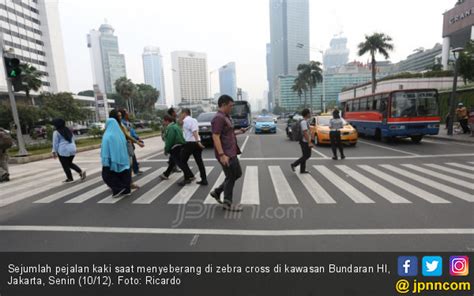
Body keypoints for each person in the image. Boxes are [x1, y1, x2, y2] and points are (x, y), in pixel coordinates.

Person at [210, 95, 249, 212]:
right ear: (223, 105)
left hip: (231, 152)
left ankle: (217, 192)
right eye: (230, 106)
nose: (232, 108)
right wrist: (222, 155)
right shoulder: (218, 118)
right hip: (226, 154)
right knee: (231, 176)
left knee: (237, 174)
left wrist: (239, 131)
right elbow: (215, 136)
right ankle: (227, 203)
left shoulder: (226, 117)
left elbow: (227, 134)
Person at [109, 109, 144, 190]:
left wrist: (137, 141)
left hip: (125, 147)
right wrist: (137, 142)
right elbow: (126, 135)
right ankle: (117, 185)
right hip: (118, 148)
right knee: (119, 166)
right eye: (118, 116)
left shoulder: (121, 124)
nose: (120, 117)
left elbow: (128, 135)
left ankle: (128, 182)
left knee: (128, 165)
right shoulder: (115, 125)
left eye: (121, 115)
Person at [101, 118, 132, 198]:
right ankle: (126, 190)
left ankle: (118, 189)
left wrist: (106, 161)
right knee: (123, 174)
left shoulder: (107, 135)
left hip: (112, 159)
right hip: (123, 158)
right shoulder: (120, 134)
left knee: (106, 175)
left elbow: (105, 149)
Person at [51, 118, 86, 183]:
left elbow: (55, 143)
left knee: (65, 165)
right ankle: (80, 171)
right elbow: (73, 139)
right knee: (69, 163)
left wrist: (54, 151)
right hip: (72, 149)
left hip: (63, 150)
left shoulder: (56, 132)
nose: (53, 126)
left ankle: (70, 178)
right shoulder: (69, 130)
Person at [160, 115, 193, 182]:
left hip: (175, 147)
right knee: (173, 161)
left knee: (180, 163)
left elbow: (170, 140)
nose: (163, 122)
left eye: (163, 121)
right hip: (180, 146)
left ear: (167, 121)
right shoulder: (176, 126)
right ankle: (166, 174)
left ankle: (189, 176)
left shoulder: (171, 128)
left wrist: (166, 149)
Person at [180, 108, 207, 186]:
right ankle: (204, 179)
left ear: (184, 113)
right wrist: (198, 141)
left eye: (181, 114)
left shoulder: (186, 120)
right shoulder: (194, 120)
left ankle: (188, 177)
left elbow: (194, 131)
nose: (181, 115)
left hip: (190, 143)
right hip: (196, 143)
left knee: (182, 161)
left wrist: (198, 142)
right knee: (199, 162)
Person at [119, 108, 144, 175]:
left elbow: (132, 132)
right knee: (130, 157)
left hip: (130, 142)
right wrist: (138, 140)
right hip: (127, 142)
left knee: (132, 156)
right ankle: (132, 172)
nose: (128, 113)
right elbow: (129, 134)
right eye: (127, 112)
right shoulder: (123, 123)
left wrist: (138, 138)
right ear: (124, 114)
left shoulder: (126, 122)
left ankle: (135, 170)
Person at [290, 109, 313, 174]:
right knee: (307, 155)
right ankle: (294, 164)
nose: (310, 114)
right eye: (310, 113)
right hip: (305, 141)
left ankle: (302, 170)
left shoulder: (305, 121)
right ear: (307, 114)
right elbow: (305, 132)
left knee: (304, 155)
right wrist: (309, 142)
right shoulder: (304, 122)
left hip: (304, 141)